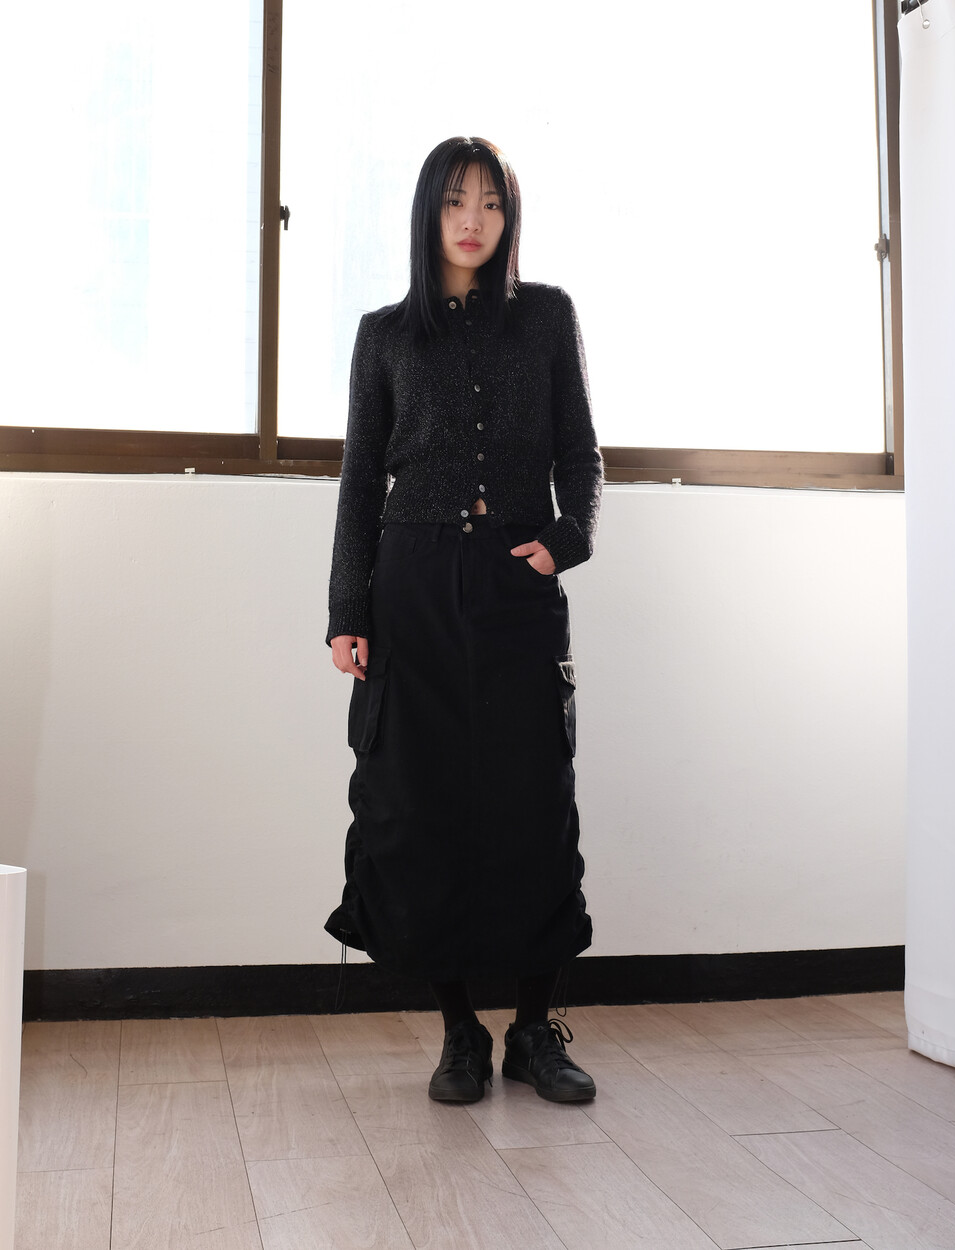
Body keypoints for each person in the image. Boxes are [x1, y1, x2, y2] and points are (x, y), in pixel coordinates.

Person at [325, 136, 603, 1104]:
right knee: (419, 807)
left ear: (508, 215)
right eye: (454, 201)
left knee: (534, 804)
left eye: (490, 201)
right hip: (411, 590)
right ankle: (457, 1032)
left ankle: (531, 1030)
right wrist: (346, 610)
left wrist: (565, 541)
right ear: (427, 214)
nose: (473, 219)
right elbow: (360, 480)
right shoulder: (384, 335)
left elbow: (581, 452)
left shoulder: (546, 316)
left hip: (515, 585)